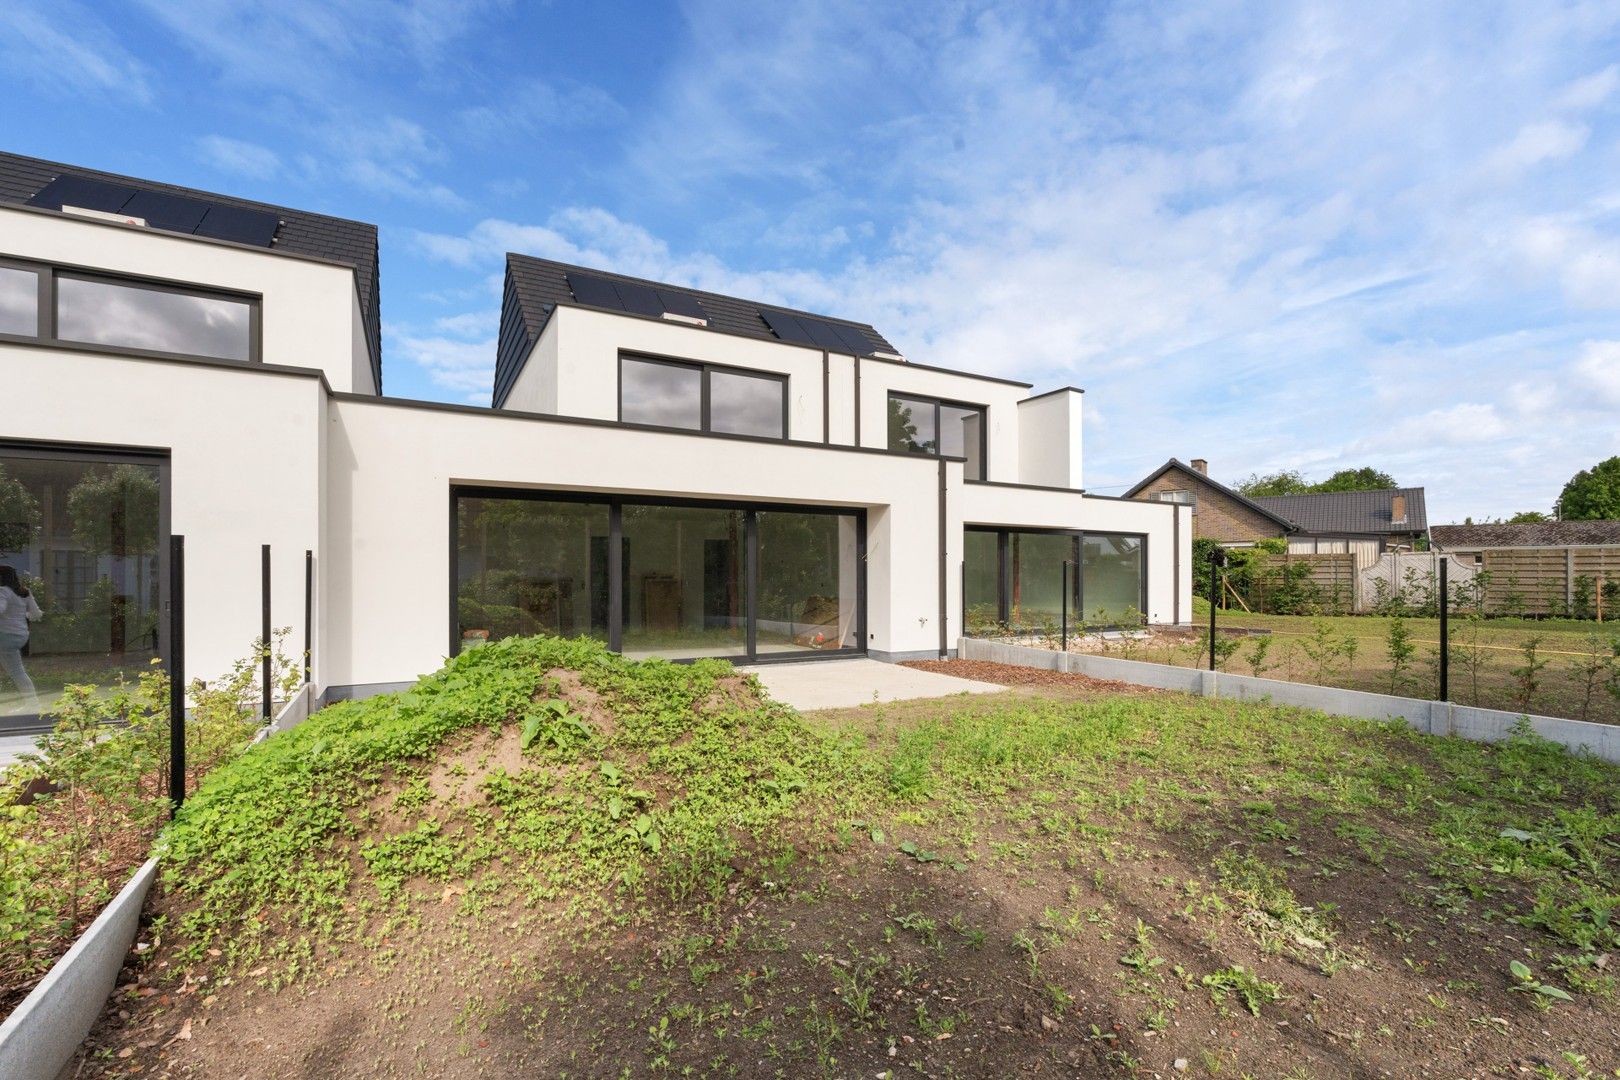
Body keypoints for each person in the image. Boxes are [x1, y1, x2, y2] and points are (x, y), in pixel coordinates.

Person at [0, 565, 43, 714]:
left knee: (17, 672)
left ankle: (33, 704)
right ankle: (32, 704)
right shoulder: (24, 592)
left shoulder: (3, 591)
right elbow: (36, 614)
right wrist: (20, 616)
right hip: (21, 636)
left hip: (5, 636)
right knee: (16, 671)